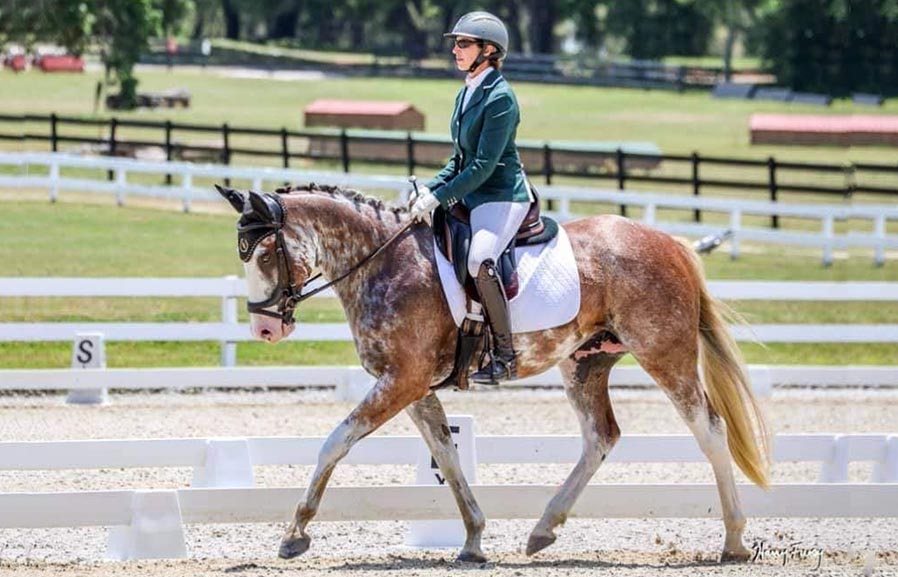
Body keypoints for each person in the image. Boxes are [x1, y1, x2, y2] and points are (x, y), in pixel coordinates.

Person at [409, 11, 530, 384]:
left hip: (500, 195)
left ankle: (505, 355)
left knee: (480, 259)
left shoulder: (501, 98)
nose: (455, 50)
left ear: (488, 50)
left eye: (463, 44)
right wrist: (431, 188)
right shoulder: (467, 91)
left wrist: (441, 197)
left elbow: (482, 166)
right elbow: (459, 159)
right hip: (470, 192)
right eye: (455, 44)